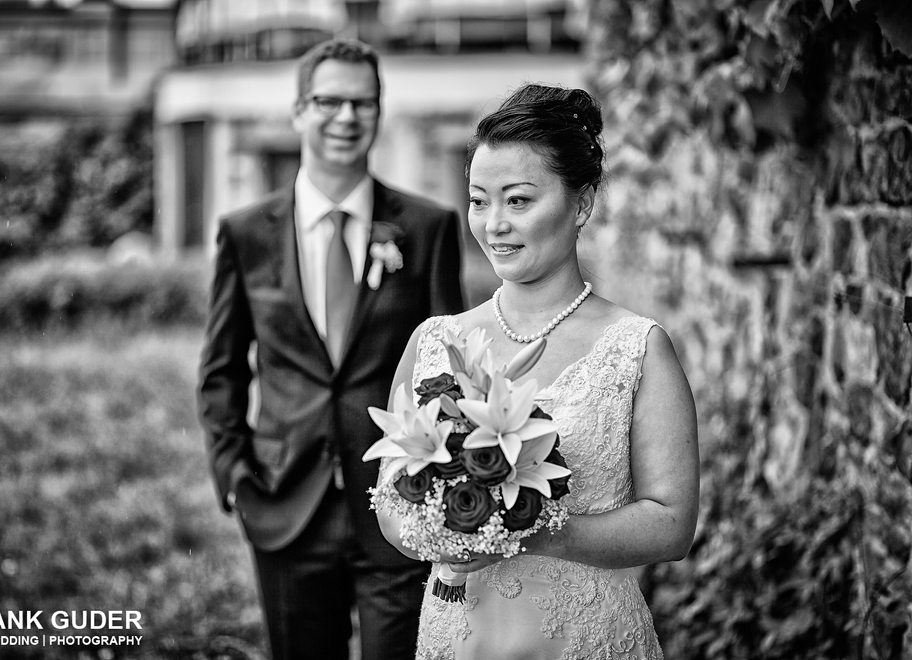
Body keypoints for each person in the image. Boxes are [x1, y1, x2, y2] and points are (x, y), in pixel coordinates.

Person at [375, 83, 700, 659]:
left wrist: (528, 529)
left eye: (518, 200)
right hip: (459, 636)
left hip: (587, 637)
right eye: (479, 200)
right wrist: (440, 535)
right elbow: (391, 501)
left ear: (581, 204)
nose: (493, 223)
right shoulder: (435, 340)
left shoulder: (638, 349)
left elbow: (671, 524)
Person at [197, 38, 465, 660]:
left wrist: (447, 487)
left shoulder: (428, 229)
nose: (347, 117)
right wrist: (235, 477)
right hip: (285, 505)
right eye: (329, 101)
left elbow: (449, 372)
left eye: (363, 104)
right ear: (298, 111)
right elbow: (220, 371)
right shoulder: (245, 234)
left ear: (379, 111)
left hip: (400, 511)